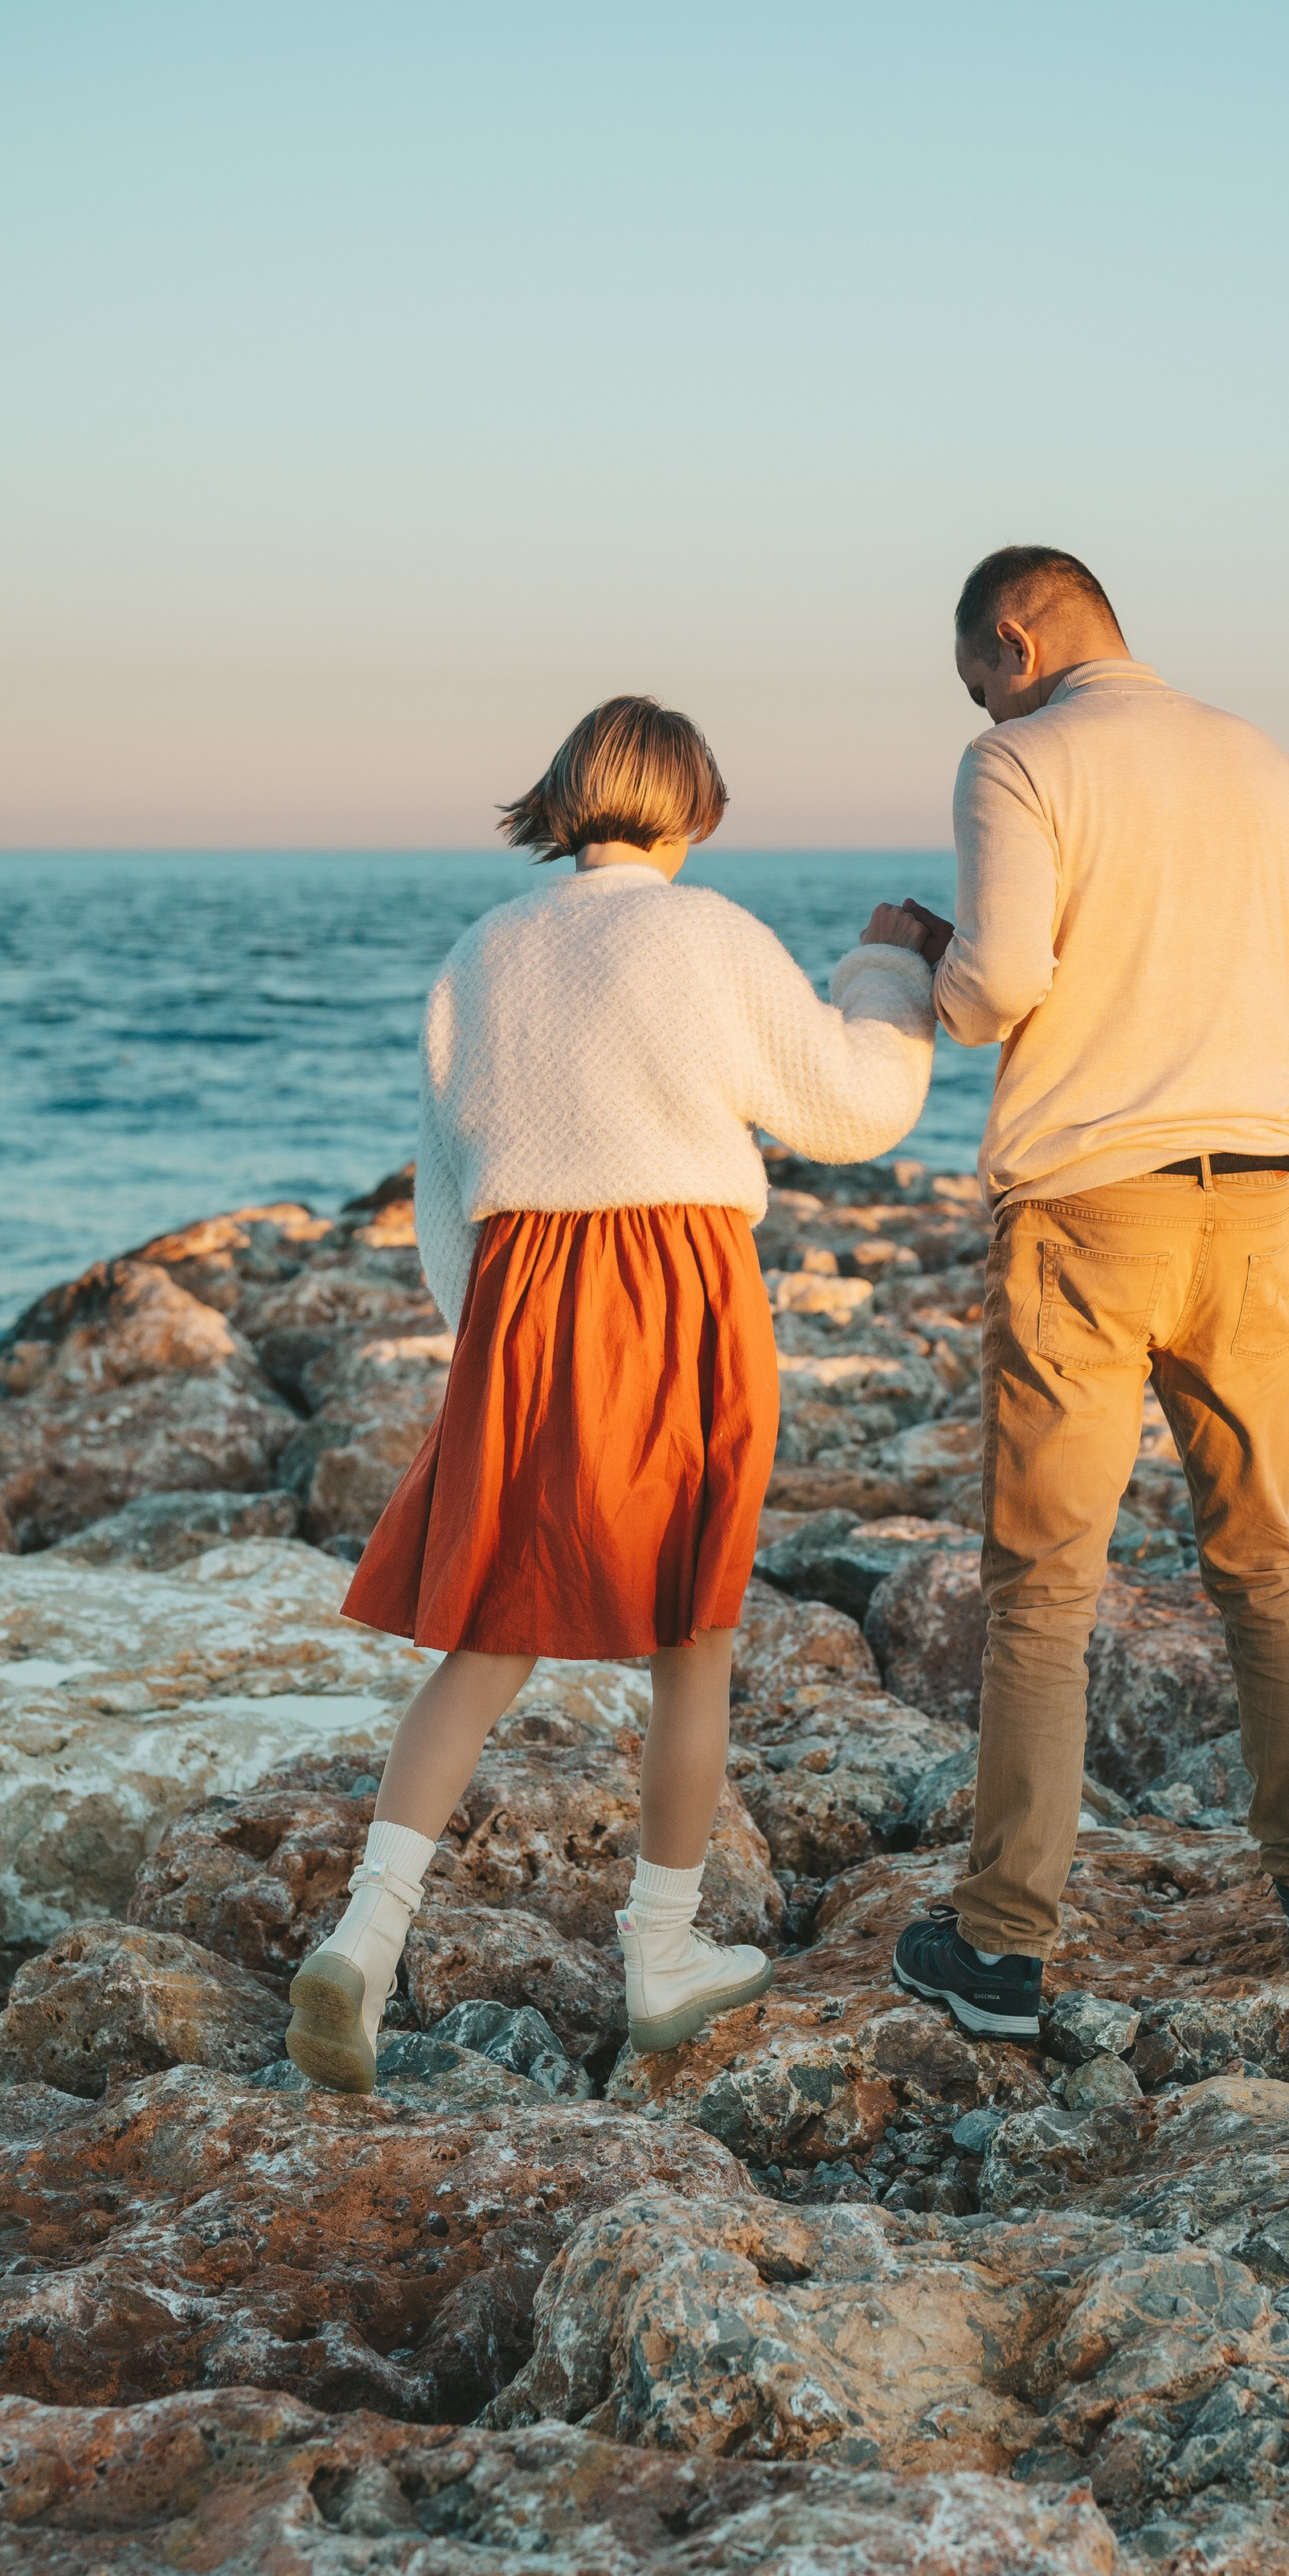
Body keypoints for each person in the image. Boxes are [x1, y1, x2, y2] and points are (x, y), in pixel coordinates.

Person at [288, 693, 936, 2092]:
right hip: (682, 1281)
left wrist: (499, 1353)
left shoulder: (484, 951)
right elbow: (855, 1113)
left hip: (523, 1296)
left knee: (489, 1635)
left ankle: (365, 1937)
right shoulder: (708, 936)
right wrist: (885, 973)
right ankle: (663, 1951)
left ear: (565, 797)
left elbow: (443, 1192)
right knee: (690, 1635)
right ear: (694, 806)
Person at [889, 546, 1289, 2042]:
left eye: (976, 672)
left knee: (1045, 1589)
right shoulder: (1264, 765)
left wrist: (917, 953)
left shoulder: (1017, 762)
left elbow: (996, 988)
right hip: (1246, 1202)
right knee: (1264, 1555)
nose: (977, 700)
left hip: (1086, 1213)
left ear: (1016, 638)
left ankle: (1005, 1945)